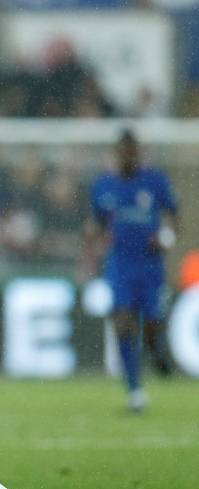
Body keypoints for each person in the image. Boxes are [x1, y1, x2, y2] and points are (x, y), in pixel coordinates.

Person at [88, 129, 179, 412]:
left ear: (139, 153)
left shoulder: (155, 181)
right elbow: (98, 224)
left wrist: (165, 238)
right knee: (124, 324)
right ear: (117, 154)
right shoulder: (103, 185)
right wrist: (91, 236)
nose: (129, 157)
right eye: (124, 152)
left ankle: (159, 352)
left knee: (151, 327)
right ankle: (135, 392)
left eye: (133, 152)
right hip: (120, 265)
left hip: (151, 266)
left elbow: (174, 215)